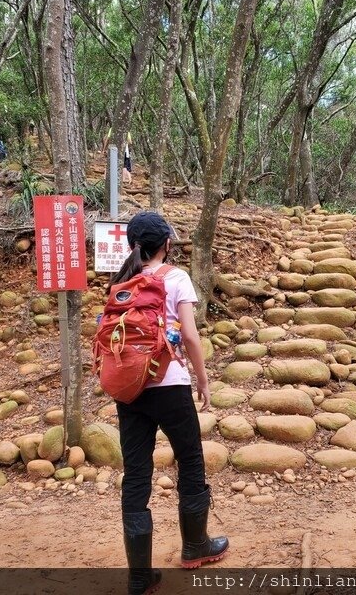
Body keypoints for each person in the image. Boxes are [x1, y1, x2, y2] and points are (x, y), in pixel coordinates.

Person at [109, 211, 228, 595]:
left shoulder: (121, 281)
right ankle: (195, 545)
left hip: (130, 389)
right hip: (170, 384)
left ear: (132, 245)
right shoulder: (175, 277)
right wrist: (203, 379)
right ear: (166, 244)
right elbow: (190, 336)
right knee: (190, 458)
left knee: (137, 473)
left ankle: (140, 576)